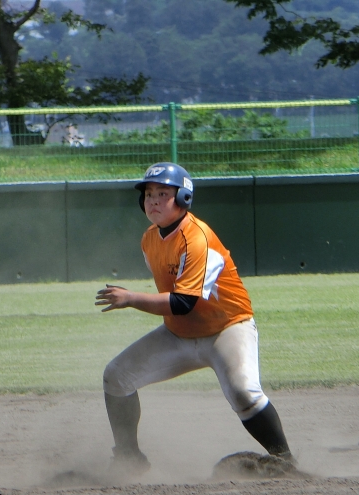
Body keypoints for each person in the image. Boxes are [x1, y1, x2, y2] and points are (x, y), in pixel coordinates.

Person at [95, 162, 295, 476]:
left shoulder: (196, 238)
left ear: (183, 198)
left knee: (244, 393)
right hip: (178, 334)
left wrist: (131, 298)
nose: (153, 200)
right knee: (116, 377)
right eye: (149, 194)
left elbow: (182, 302)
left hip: (227, 329)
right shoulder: (149, 239)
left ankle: (285, 460)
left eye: (163, 193)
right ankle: (128, 458)